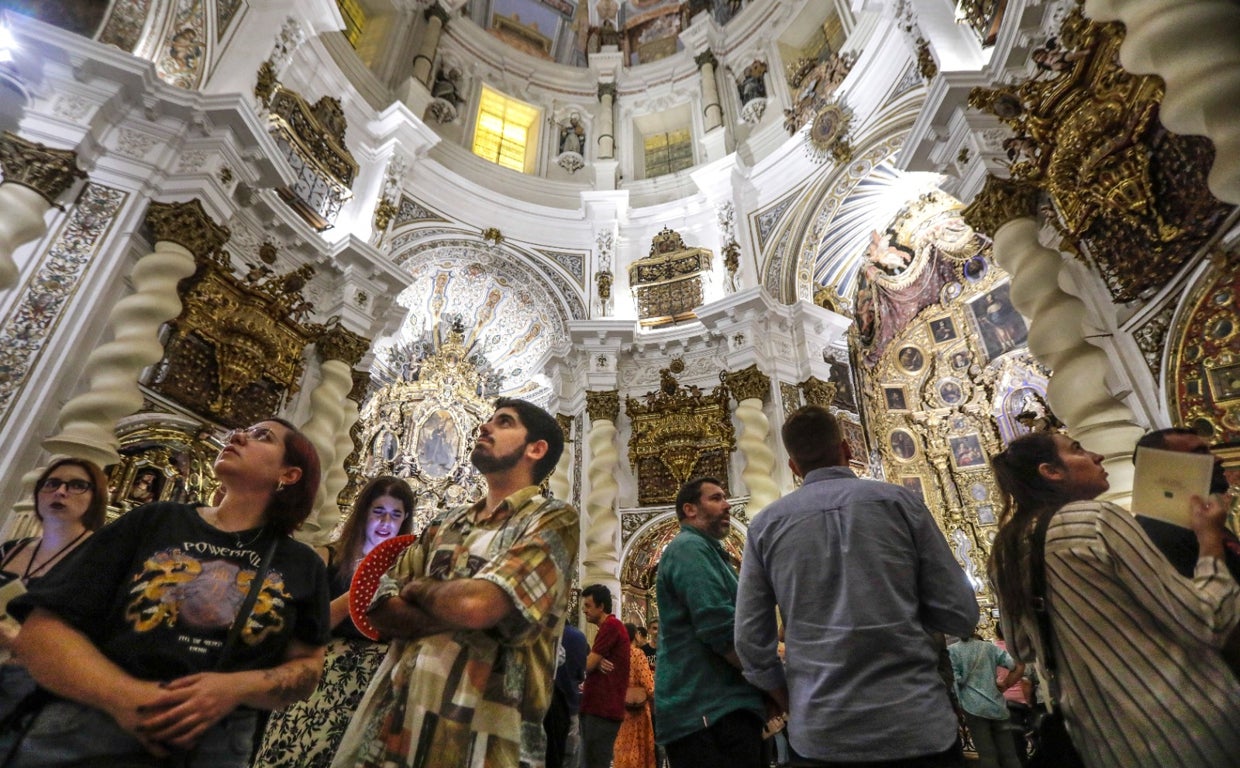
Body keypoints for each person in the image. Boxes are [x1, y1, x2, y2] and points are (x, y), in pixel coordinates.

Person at [9, 419, 331, 767]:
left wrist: (236, 688)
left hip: (211, 744)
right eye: (242, 431)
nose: (237, 436)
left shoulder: (301, 564)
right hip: (89, 728)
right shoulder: (153, 521)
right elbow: (42, 631)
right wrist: (128, 697)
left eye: (261, 437)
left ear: (289, 474)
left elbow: (308, 666)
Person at [331, 398, 578, 768]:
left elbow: (481, 605)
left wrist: (418, 590)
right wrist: (468, 609)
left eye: (504, 422)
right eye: (489, 420)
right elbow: (380, 606)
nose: (485, 427)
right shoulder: (444, 522)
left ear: (536, 449)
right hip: (396, 730)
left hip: (486, 741)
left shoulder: (553, 518)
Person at [735, 405, 978, 766]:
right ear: (847, 449)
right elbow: (960, 612)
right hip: (917, 725)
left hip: (822, 733)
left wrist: (790, 699)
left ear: (793, 467)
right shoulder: (900, 503)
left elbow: (751, 643)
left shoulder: (767, 525)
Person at [988, 431, 1240, 768]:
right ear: (1051, 471)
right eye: (1078, 449)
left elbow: (1022, 648)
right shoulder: (1096, 520)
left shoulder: (1005, 548)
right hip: (1183, 719)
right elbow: (1206, 620)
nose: (1098, 456)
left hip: (1104, 736)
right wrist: (1209, 539)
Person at [252, 475, 416, 768]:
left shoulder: (406, 572)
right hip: (321, 675)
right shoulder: (327, 558)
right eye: (378, 512)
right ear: (364, 512)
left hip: (370, 685)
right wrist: (358, 594)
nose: (385, 523)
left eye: (396, 515)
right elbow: (300, 629)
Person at [656, 478, 765, 768]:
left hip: (719, 709)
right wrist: (773, 686)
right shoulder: (689, 549)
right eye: (716, 498)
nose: (727, 505)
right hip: (707, 713)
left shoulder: (708, 551)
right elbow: (721, 631)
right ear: (690, 509)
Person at [1, 458, 109, 724]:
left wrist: (19, 641)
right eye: (51, 483)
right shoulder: (10, 549)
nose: (60, 492)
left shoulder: (101, 559)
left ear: (96, 498)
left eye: (77, 485)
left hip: (35, 684)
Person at [1132, 427, 1239, 579]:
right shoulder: (1157, 530)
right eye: (1201, 453)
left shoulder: (1196, 520)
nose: (1218, 458)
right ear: (1165, 469)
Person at [948, 633, 1023, 768]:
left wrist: (958, 707)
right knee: (1009, 754)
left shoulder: (952, 651)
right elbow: (1016, 666)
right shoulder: (989, 647)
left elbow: (955, 682)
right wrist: (1006, 684)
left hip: (973, 707)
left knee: (987, 755)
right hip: (997, 706)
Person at [580, 583, 630, 768]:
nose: (584, 611)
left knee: (595, 762)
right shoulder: (608, 628)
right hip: (598, 707)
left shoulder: (611, 626)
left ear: (601, 606)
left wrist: (591, 661)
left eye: (588, 606)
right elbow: (593, 662)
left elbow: (588, 665)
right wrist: (595, 661)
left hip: (602, 708)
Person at [546, 622, 588, 768]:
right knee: (570, 756)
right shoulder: (579, 638)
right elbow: (581, 673)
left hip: (542, 706)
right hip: (570, 705)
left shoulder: (540, 632)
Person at [614, 622, 656, 768]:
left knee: (622, 748)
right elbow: (649, 686)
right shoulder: (638, 654)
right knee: (638, 750)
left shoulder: (615, 655)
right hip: (638, 712)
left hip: (619, 709)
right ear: (636, 636)